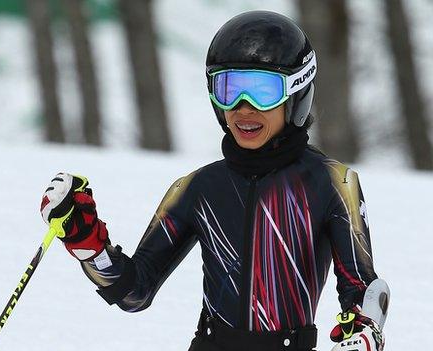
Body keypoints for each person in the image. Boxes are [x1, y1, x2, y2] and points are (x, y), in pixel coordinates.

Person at [39, 11, 386, 351]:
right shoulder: (198, 188)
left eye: (262, 91)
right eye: (229, 88)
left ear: (296, 93)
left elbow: (364, 288)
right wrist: (88, 244)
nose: (243, 107)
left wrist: (364, 328)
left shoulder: (331, 182)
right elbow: (135, 292)